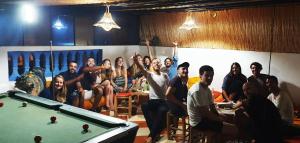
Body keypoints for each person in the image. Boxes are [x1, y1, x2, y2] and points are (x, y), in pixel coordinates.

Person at [187, 65, 237, 142]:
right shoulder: (196, 90)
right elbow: (205, 113)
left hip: (205, 118)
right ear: (200, 75)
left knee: (229, 120)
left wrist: (219, 115)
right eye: (207, 75)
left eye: (211, 76)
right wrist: (220, 119)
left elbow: (212, 107)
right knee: (234, 130)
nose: (210, 78)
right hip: (198, 122)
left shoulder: (207, 89)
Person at [133, 53, 169, 143]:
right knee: (144, 105)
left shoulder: (165, 75)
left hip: (163, 101)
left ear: (161, 64)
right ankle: (155, 133)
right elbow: (142, 68)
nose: (156, 64)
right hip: (153, 101)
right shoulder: (150, 75)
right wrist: (137, 62)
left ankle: (151, 136)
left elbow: (169, 88)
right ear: (152, 65)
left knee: (161, 110)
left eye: (158, 62)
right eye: (154, 63)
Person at [166, 62, 189, 132]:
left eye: (187, 69)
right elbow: (168, 95)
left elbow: (185, 95)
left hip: (178, 104)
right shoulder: (176, 80)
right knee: (193, 112)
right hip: (172, 105)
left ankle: (192, 131)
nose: (186, 70)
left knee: (194, 109)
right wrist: (182, 104)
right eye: (183, 69)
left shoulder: (182, 81)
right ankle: (193, 131)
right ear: (178, 70)